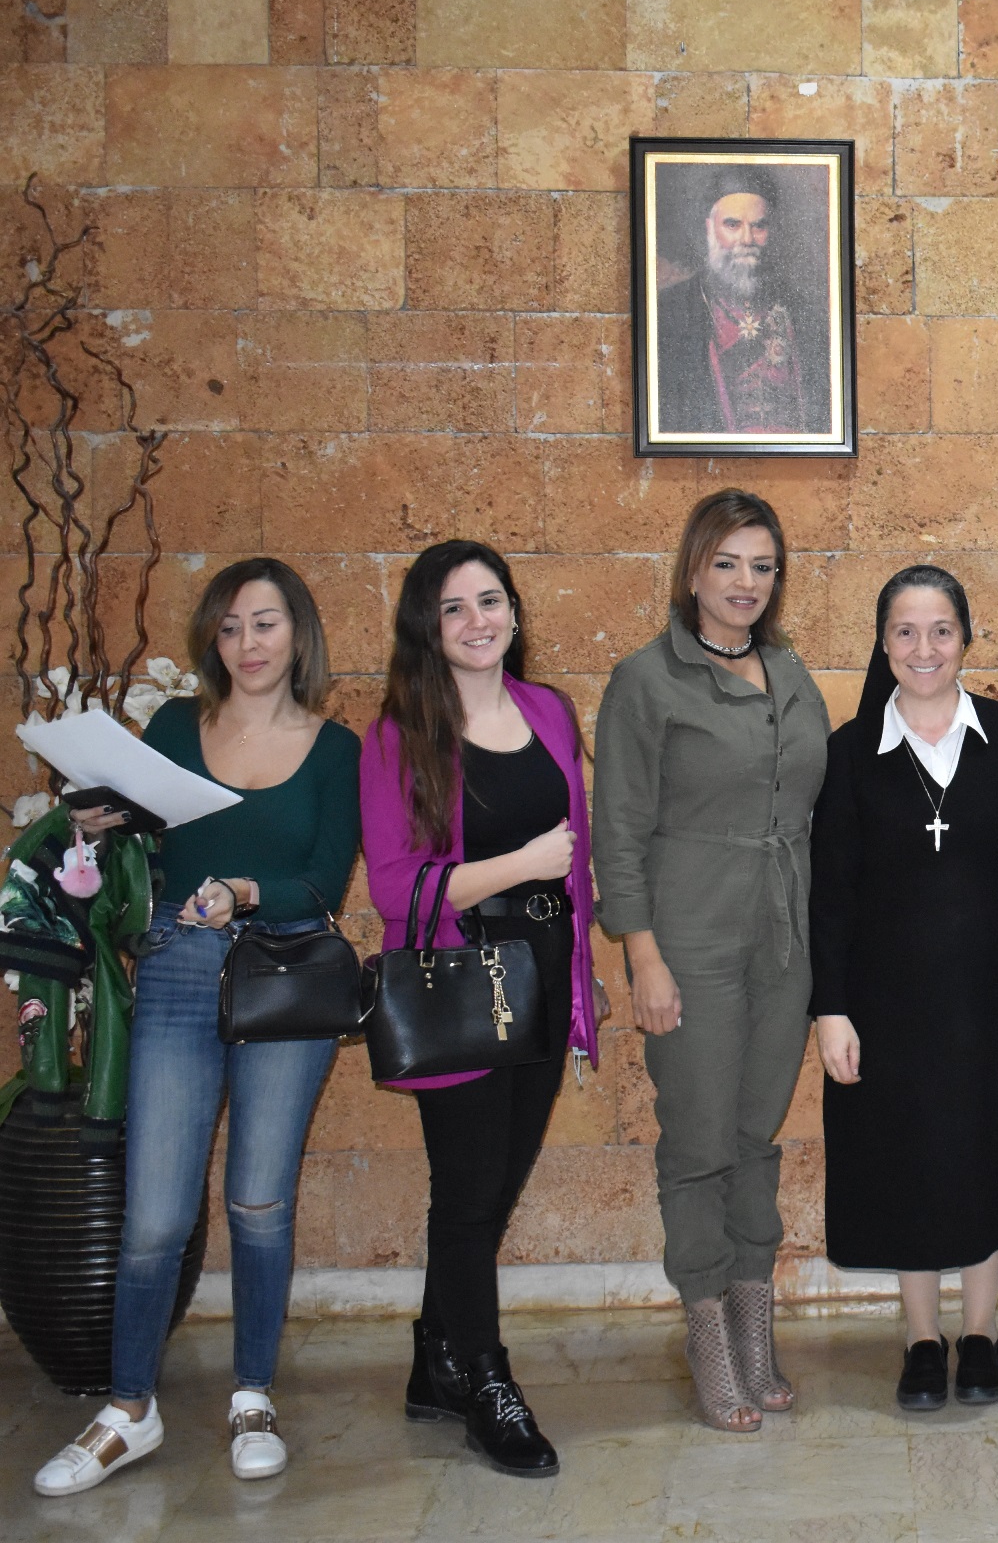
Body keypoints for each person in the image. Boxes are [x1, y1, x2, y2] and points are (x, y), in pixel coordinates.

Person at [33, 561, 360, 1498]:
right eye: (229, 627)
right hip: (179, 966)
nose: (248, 643)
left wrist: (248, 892)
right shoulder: (177, 727)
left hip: (285, 977)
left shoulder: (336, 748)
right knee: (155, 1215)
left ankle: (252, 1396)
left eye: (265, 623)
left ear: (298, 632)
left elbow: (324, 884)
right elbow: (136, 845)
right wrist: (95, 824)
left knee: (259, 1202)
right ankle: (128, 1410)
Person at [361, 540, 599, 1480]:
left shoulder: (547, 709)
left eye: (489, 600)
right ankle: (488, 1384)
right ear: (426, 626)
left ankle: (436, 1357)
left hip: (544, 974)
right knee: (467, 1197)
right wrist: (518, 866)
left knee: (495, 1189)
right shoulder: (400, 735)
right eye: (453, 607)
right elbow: (394, 889)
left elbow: (577, 860)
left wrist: (582, 973)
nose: (476, 621)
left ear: (513, 612)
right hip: (463, 984)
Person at [810, 566, 998, 1412]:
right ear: (883, 643)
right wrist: (830, 1009)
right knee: (905, 1160)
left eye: (940, 631)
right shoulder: (850, 752)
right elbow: (831, 892)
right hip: (886, 1004)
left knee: (988, 1158)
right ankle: (922, 1337)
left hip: (993, 997)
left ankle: (981, 1331)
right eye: (905, 632)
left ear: (965, 638)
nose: (923, 649)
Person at [594, 490, 830, 1434]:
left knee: (755, 1137)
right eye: (727, 563)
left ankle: (753, 1329)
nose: (745, 582)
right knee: (698, 1144)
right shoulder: (645, 680)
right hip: (688, 940)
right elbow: (617, 834)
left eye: (762, 566)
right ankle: (708, 1338)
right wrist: (643, 957)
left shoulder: (791, 671)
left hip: (784, 939)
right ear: (693, 570)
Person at [653, 167, 828, 436]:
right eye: (732, 225)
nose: (747, 239)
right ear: (709, 229)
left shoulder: (804, 312)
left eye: (759, 226)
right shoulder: (670, 311)